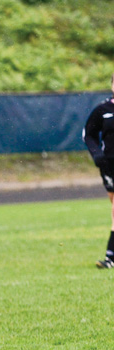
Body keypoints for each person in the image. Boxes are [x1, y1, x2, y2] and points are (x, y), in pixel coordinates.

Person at [83, 73, 114, 269]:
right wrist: (97, 154)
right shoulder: (103, 110)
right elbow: (89, 134)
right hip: (110, 165)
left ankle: (110, 257)